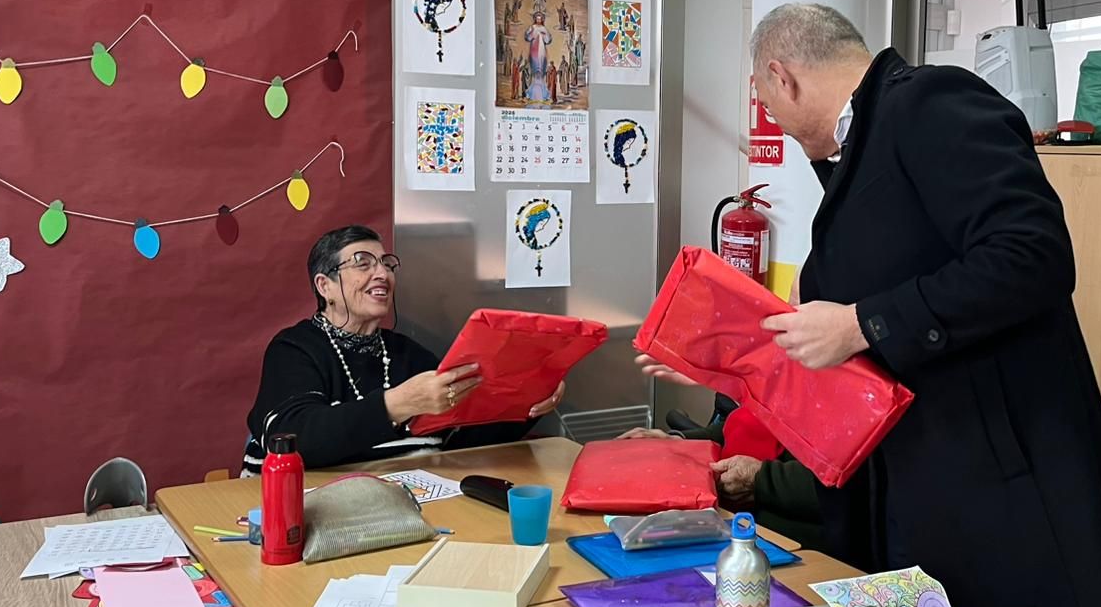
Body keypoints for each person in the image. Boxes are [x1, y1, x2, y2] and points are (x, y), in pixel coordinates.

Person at [736, 3, 1101, 607]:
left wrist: (861, 323)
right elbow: (908, 265)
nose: (772, 119)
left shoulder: (930, 102)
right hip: (925, 496)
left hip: (1003, 508)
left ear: (783, 77)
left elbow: (1033, 255)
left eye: (765, 100)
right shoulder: (861, 146)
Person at [243, 225, 563, 474]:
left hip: (410, 505)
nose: (382, 274)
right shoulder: (294, 349)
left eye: (387, 264)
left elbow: (459, 435)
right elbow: (291, 440)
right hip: (310, 505)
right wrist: (396, 404)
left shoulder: (407, 353)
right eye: (362, 263)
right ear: (325, 286)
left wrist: (526, 403)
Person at [620, 391, 824, 549]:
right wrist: (680, 442)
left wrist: (761, 478)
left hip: (793, 545)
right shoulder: (787, 376)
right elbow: (747, 423)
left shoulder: (835, 393)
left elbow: (833, 486)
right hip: (731, 524)